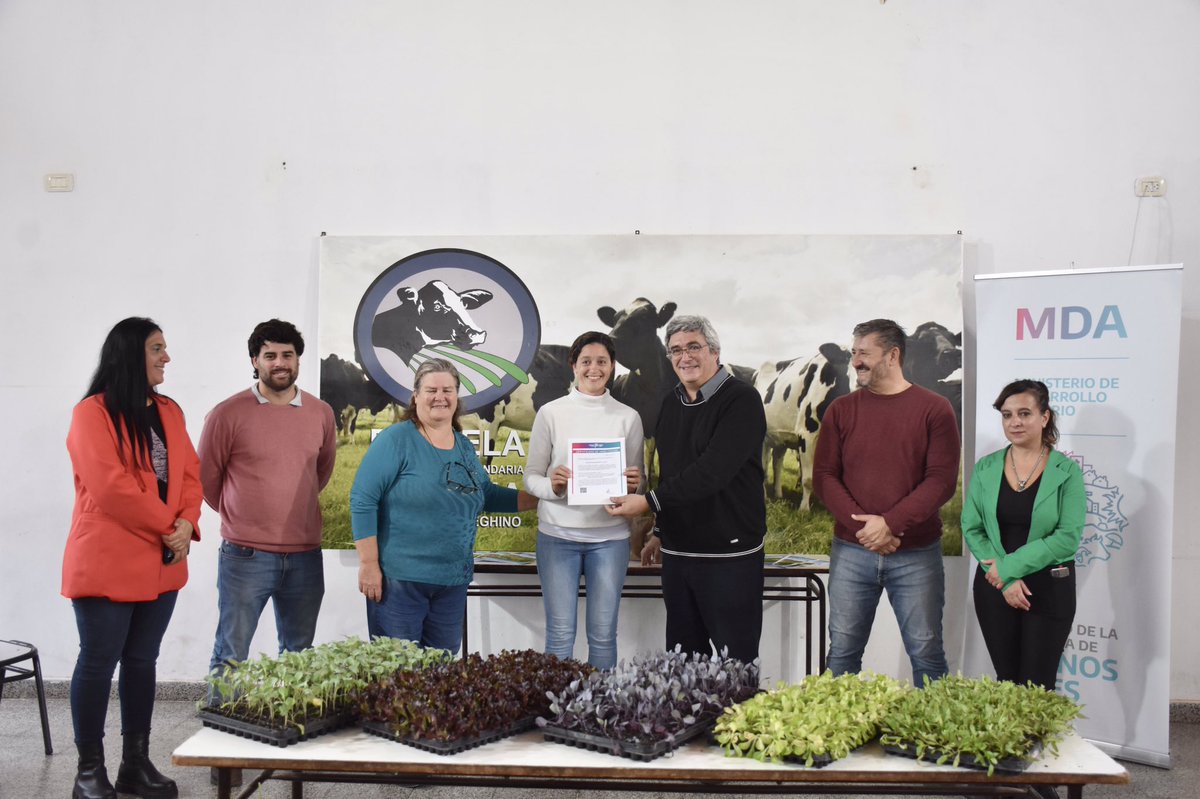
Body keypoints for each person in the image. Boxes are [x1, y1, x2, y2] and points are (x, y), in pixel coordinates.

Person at [63, 317, 201, 799]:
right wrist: (171, 528)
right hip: (109, 560)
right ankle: (88, 772)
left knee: (142, 661)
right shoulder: (92, 414)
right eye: (157, 348)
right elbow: (111, 488)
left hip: (163, 562)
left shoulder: (169, 411)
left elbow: (189, 474)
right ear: (129, 355)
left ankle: (135, 766)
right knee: (98, 662)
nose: (167, 357)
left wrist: (187, 523)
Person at [606, 316, 767, 665]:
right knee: (683, 663)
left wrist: (647, 502)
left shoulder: (742, 399)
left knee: (734, 663)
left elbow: (713, 472)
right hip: (678, 555)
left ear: (715, 351)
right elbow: (670, 473)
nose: (685, 357)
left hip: (729, 555)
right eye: (676, 350)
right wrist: (660, 531)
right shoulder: (671, 403)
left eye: (694, 347)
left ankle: (734, 723)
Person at [349, 358, 537, 652]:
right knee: (398, 676)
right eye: (431, 390)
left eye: (448, 390)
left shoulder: (462, 444)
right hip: (401, 583)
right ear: (416, 396)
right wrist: (368, 564)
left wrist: (540, 497)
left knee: (440, 676)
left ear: (457, 396)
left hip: (451, 582)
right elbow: (362, 500)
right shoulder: (396, 439)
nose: (440, 397)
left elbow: (485, 494)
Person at [812, 318, 960, 688]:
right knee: (842, 652)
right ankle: (837, 735)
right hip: (852, 550)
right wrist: (868, 529)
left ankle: (936, 740)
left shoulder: (935, 409)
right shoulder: (841, 410)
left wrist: (890, 524)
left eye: (864, 353)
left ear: (893, 355)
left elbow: (940, 482)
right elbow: (825, 477)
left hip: (916, 555)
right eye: (854, 353)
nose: (856, 361)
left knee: (927, 652)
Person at [199, 319, 337, 681]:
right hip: (245, 554)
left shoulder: (320, 413)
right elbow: (207, 479)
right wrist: (242, 514)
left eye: (288, 355)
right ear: (254, 361)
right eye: (270, 355)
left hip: (305, 554)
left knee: (298, 654)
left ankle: (289, 727)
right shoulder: (227, 414)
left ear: (298, 361)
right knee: (232, 652)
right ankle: (220, 727)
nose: (280, 363)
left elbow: (320, 473)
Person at [523, 331, 644, 669]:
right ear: (573, 365)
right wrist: (554, 487)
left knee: (603, 634)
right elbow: (531, 476)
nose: (594, 368)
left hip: (610, 540)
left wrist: (634, 485)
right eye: (586, 361)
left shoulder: (627, 417)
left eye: (602, 361)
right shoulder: (550, 413)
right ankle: (555, 711)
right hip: (557, 536)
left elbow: (639, 480)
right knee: (560, 633)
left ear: (612, 366)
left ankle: (599, 714)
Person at [962, 379, 1084, 690]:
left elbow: (1067, 537)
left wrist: (1009, 568)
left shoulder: (1067, 471)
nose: (1015, 422)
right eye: (1007, 414)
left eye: (1024, 413)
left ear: (1044, 417)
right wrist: (1003, 576)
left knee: (1037, 685)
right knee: (1007, 682)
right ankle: (1013, 741)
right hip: (995, 585)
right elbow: (972, 527)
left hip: (1048, 588)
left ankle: (1036, 742)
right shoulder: (986, 467)